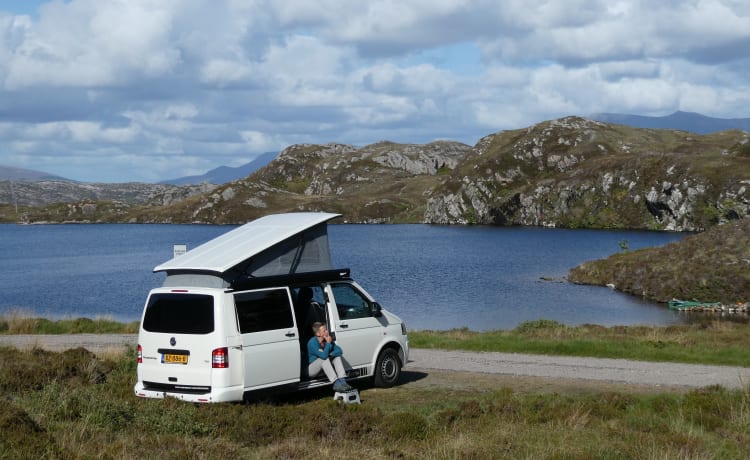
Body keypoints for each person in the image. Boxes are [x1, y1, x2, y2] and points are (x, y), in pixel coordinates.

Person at [307, 321, 352, 392]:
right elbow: (324, 357)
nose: (327, 332)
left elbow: (339, 350)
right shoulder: (312, 342)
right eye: (324, 331)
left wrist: (330, 354)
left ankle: (343, 381)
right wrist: (328, 343)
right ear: (318, 334)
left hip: (324, 368)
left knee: (337, 357)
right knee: (323, 359)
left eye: (326, 329)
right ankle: (336, 384)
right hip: (312, 370)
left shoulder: (326, 340)